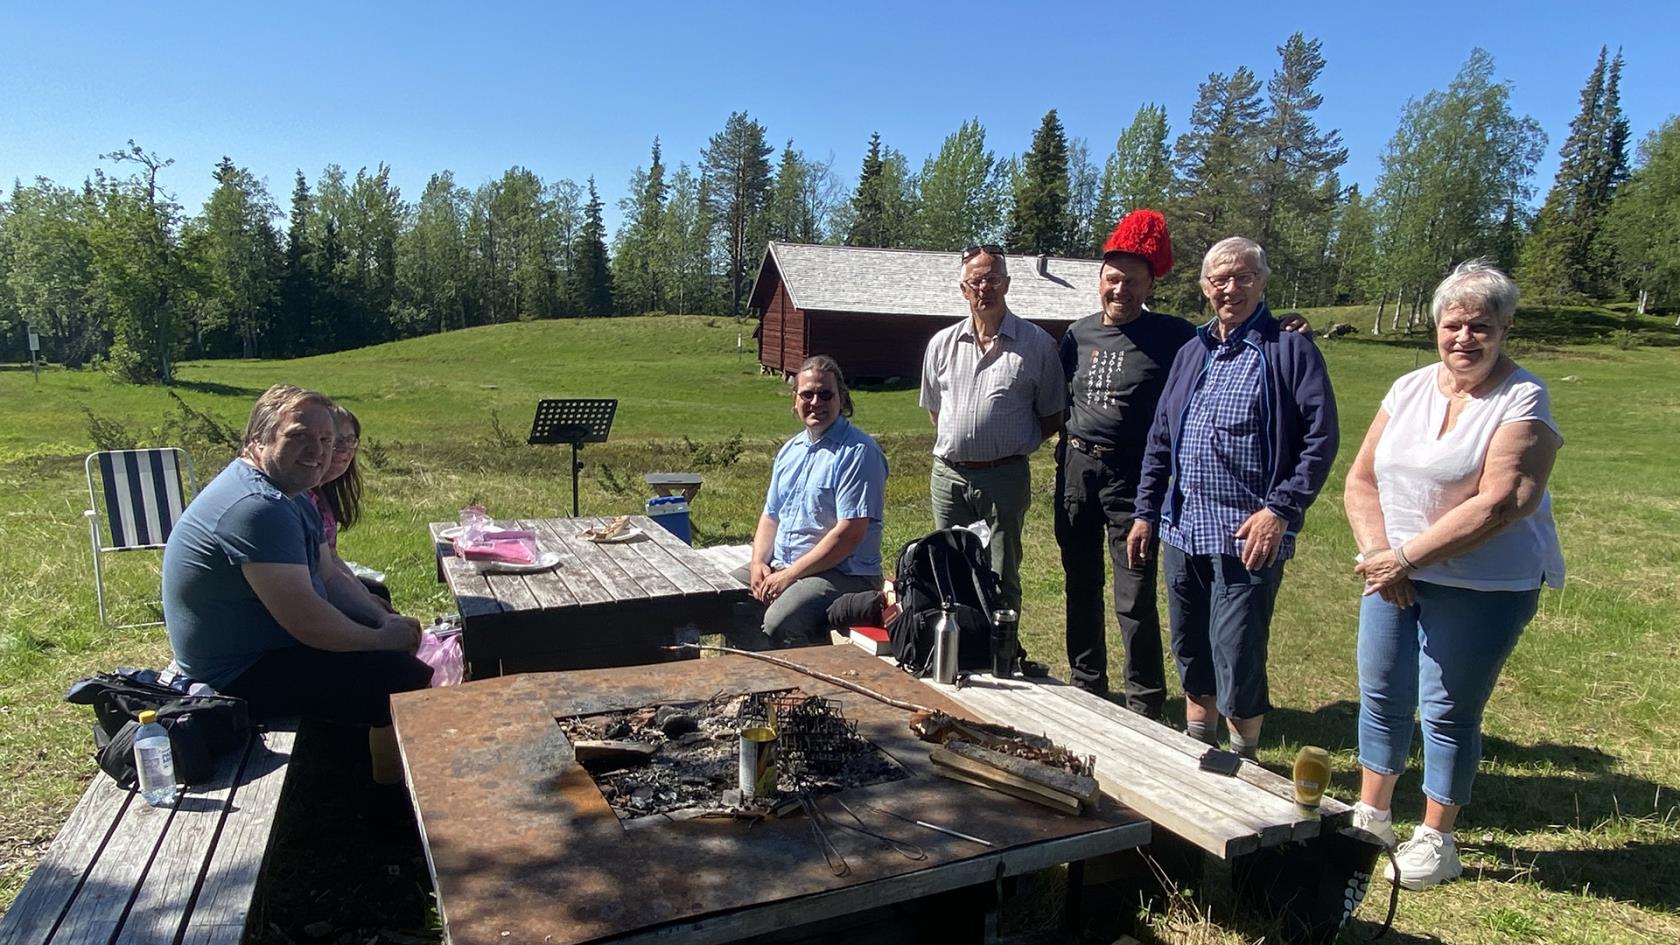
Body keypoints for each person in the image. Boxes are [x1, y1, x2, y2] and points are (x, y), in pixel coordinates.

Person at [1342, 260, 1564, 889]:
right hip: (1392, 572)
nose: (1464, 338)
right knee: (1382, 692)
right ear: (1436, 325)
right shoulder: (1407, 388)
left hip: (1482, 584)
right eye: (1454, 324)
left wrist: (1407, 558)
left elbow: (1503, 498)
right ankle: (1373, 813)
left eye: (1481, 326)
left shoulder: (1522, 395)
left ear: (1504, 328)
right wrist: (1382, 558)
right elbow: (1360, 482)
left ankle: (1437, 839)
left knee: (1447, 709)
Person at [1128, 237, 1339, 758]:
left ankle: (1244, 760)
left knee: (1237, 645)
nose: (1230, 289)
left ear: (1263, 282)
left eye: (1243, 277)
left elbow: (1320, 438)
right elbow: (1161, 438)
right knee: (1191, 643)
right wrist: (1145, 512)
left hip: (1250, 530)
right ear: (1204, 288)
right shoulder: (1191, 351)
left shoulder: (1289, 350)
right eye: (1219, 280)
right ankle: (1198, 743)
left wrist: (1280, 511)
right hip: (1183, 525)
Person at [163, 384, 430, 784]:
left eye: (326, 439)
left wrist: (380, 618)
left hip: (267, 647)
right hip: (236, 673)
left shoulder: (293, 491)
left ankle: (356, 768)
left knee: (382, 620)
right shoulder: (257, 507)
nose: (318, 451)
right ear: (258, 438)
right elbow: (307, 621)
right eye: (299, 436)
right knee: (396, 675)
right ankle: (381, 803)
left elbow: (330, 574)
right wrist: (380, 640)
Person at [1055, 210, 1191, 717]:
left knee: (1133, 592)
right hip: (1075, 469)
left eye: (1132, 282)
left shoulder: (1174, 336)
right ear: (1099, 280)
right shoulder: (1077, 335)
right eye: (1112, 279)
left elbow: (1226, 344)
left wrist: (1287, 333)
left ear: (1149, 283)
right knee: (1079, 582)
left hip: (1134, 478)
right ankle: (1086, 684)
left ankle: (1144, 702)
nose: (1120, 290)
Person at [921, 244, 1065, 615]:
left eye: (993, 279)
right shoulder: (941, 344)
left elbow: (1051, 416)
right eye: (976, 281)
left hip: (1004, 477)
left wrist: (1002, 443)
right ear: (963, 289)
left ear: (1007, 284)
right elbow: (937, 413)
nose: (985, 287)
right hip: (949, 477)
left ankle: (1003, 654)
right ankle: (956, 649)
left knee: (1002, 571)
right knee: (948, 566)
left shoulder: (1038, 345)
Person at [737, 355, 889, 648]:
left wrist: (789, 576)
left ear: (842, 399)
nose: (815, 402)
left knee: (779, 622)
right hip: (785, 565)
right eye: (807, 394)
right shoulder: (790, 450)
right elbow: (770, 517)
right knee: (719, 598)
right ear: (795, 401)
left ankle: (808, 687)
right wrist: (758, 564)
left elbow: (849, 535)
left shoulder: (858, 452)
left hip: (844, 573)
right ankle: (753, 686)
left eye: (825, 394)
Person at [310, 404, 393, 610]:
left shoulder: (324, 493)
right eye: (337, 441)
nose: (345, 449)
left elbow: (332, 556)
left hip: (323, 581)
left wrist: (365, 596)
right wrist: (368, 604)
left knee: (376, 592)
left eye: (351, 440)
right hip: (312, 593)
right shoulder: (305, 497)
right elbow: (323, 570)